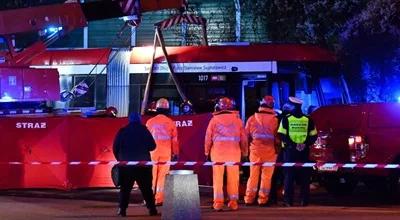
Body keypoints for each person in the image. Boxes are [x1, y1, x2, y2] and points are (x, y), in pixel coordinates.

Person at [204, 97, 248, 211]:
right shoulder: (237, 120)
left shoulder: (214, 120)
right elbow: (244, 139)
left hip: (218, 153)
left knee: (217, 179)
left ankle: (218, 203)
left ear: (219, 106)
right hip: (234, 153)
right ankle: (233, 203)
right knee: (233, 179)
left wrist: (206, 152)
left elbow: (208, 138)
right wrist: (244, 152)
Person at [113, 112, 158, 217]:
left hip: (126, 166)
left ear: (129, 120)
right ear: (139, 119)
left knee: (125, 189)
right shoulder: (144, 130)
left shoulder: (123, 131)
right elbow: (152, 146)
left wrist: (121, 159)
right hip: (143, 166)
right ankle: (152, 210)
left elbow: (115, 147)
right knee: (146, 188)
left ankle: (122, 210)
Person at [277, 97, 317, 207]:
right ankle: (304, 201)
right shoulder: (308, 119)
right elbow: (314, 136)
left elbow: (282, 135)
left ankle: (288, 201)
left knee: (289, 177)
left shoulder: (286, 119)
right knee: (305, 177)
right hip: (304, 151)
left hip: (290, 152)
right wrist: (305, 144)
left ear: (293, 106)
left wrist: (294, 145)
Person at [244, 95, 279, 206]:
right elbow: (277, 138)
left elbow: (246, 136)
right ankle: (262, 199)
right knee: (266, 177)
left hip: (255, 151)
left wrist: (245, 151)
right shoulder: (275, 120)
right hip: (270, 151)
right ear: (272, 105)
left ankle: (249, 199)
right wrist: (278, 149)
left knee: (253, 175)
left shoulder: (252, 118)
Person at [146, 98, 179, 206]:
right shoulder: (171, 123)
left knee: (151, 176)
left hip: (152, 152)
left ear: (157, 109)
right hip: (166, 152)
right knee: (163, 176)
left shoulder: (150, 122)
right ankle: (159, 198)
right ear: (167, 110)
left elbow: (146, 139)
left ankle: (148, 199)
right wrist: (175, 153)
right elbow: (174, 140)